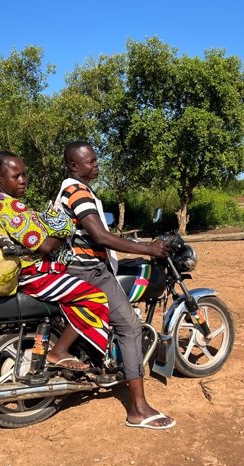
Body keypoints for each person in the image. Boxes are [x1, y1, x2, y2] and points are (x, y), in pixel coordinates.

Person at [56, 140, 176, 430]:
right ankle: (138, 409)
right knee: (130, 327)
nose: (96, 164)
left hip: (75, 269)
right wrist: (147, 249)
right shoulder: (77, 190)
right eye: (90, 161)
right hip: (89, 272)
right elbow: (100, 237)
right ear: (74, 166)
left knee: (104, 316)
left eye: (96, 159)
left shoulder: (69, 190)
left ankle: (76, 353)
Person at [0, 150, 110, 370]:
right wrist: (65, 229)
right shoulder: (10, 207)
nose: (23, 181)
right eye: (16, 176)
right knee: (95, 297)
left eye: (24, 175)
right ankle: (59, 351)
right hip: (34, 276)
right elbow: (45, 245)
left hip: (28, 273)